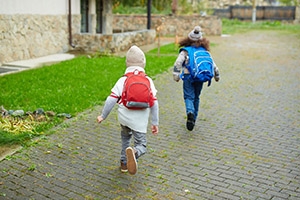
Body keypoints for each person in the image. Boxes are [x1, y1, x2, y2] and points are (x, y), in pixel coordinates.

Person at [97, 45, 159, 175]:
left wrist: (103, 116)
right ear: (143, 63)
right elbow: (154, 103)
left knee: (125, 138)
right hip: (139, 122)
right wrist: (154, 123)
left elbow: (111, 99)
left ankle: (124, 164)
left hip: (124, 118)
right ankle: (135, 153)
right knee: (141, 144)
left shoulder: (123, 80)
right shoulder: (148, 80)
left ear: (127, 63)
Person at [173, 26, 220, 131]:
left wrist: (176, 75)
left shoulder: (186, 51)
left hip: (188, 77)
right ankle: (194, 118)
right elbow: (213, 64)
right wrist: (217, 75)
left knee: (189, 97)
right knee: (196, 97)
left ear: (189, 39)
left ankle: (190, 112)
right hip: (200, 77)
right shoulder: (205, 51)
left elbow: (178, 63)